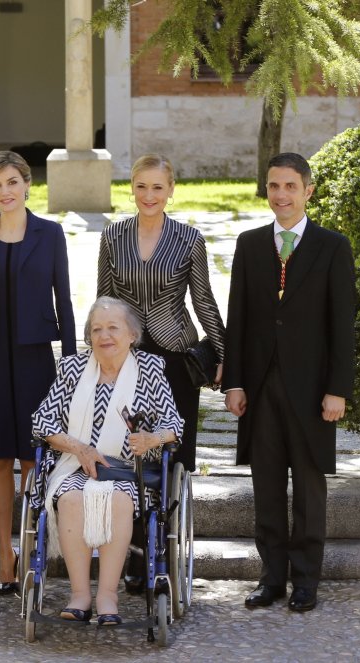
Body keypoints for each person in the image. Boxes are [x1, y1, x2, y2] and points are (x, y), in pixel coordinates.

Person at [224, 152, 355, 613]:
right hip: (259, 389)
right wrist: (234, 383)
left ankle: (305, 581)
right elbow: (236, 319)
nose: (281, 195)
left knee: (309, 487)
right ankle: (271, 578)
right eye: (274, 186)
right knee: (267, 487)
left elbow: (343, 326)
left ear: (308, 191)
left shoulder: (332, 246)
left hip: (312, 390)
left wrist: (338, 388)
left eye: (290, 187)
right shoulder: (249, 244)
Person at [0, 150, 76, 596]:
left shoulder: (50, 233)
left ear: (27, 184)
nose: (3, 191)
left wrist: (69, 363)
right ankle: (6, 555)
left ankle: (34, 549)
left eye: (11, 182)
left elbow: (63, 299)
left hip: (34, 358)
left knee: (33, 458)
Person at [32, 297, 183, 625]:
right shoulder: (73, 368)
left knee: (117, 500)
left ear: (132, 334)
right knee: (71, 499)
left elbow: (174, 424)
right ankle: (80, 594)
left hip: (130, 471)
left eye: (113, 328)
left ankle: (108, 595)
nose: (104, 335)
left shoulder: (149, 368)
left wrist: (151, 439)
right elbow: (42, 422)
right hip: (77, 465)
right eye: (97, 329)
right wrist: (80, 448)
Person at [97, 154, 225, 475]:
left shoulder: (189, 239)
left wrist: (223, 355)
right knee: (125, 445)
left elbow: (204, 301)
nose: (149, 195)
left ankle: (171, 513)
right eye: (141, 186)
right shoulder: (112, 236)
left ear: (171, 190)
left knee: (173, 448)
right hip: (128, 354)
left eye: (157, 187)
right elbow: (104, 300)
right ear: (132, 188)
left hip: (176, 355)